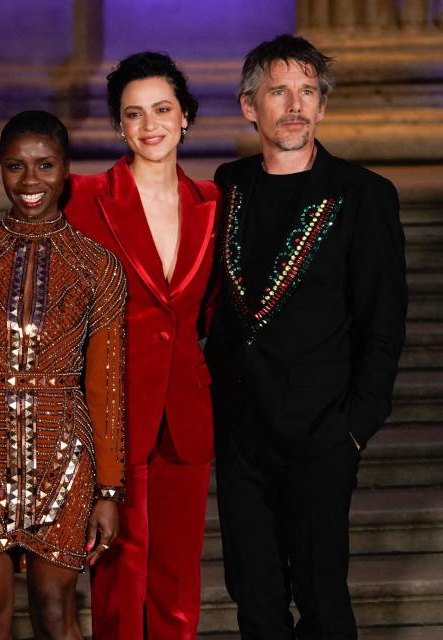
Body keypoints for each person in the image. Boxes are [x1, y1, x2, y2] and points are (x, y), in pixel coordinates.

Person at [206, 35, 407, 639]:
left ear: (321, 107)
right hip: (242, 432)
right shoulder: (228, 184)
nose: (294, 105)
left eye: (307, 92)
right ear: (250, 107)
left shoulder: (363, 195)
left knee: (323, 601)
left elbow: (384, 320)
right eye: (278, 92)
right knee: (256, 600)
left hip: (322, 433)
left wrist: (354, 427)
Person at [0, 110, 126, 640]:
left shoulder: (98, 266)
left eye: (44, 165)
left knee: (57, 614)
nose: (30, 181)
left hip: (65, 457)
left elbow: (106, 389)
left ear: (66, 170)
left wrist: (109, 489)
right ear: (1, 171)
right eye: (15, 166)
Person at [57, 52, 222, 640]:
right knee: (119, 574)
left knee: (177, 576)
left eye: (162, 109)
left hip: (186, 409)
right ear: (119, 126)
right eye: (134, 114)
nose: (150, 124)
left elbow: (209, 309)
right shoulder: (83, 197)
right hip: (112, 411)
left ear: (185, 117)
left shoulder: (213, 204)